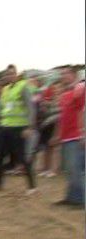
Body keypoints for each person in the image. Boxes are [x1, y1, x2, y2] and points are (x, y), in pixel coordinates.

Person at [0, 65, 37, 194]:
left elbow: (31, 108)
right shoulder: (5, 89)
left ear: (16, 74)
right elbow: (4, 108)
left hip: (19, 128)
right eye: (7, 74)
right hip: (5, 127)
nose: (9, 76)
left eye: (11, 73)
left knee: (22, 157)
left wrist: (29, 127)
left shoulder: (23, 87)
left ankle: (32, 187)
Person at [53, 66, 85, 208]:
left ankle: (79, 200)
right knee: (69, 169)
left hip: (75, 136)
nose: (63, 76)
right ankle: (71, 197)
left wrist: (83, 134)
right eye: (62, 74)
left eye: (65, 73)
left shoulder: (80, 91)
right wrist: (57, 135)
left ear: (73, 75)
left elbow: (83, 112)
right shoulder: (65, 95)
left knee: (76, 168)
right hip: (65, 137)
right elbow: (61, 117)